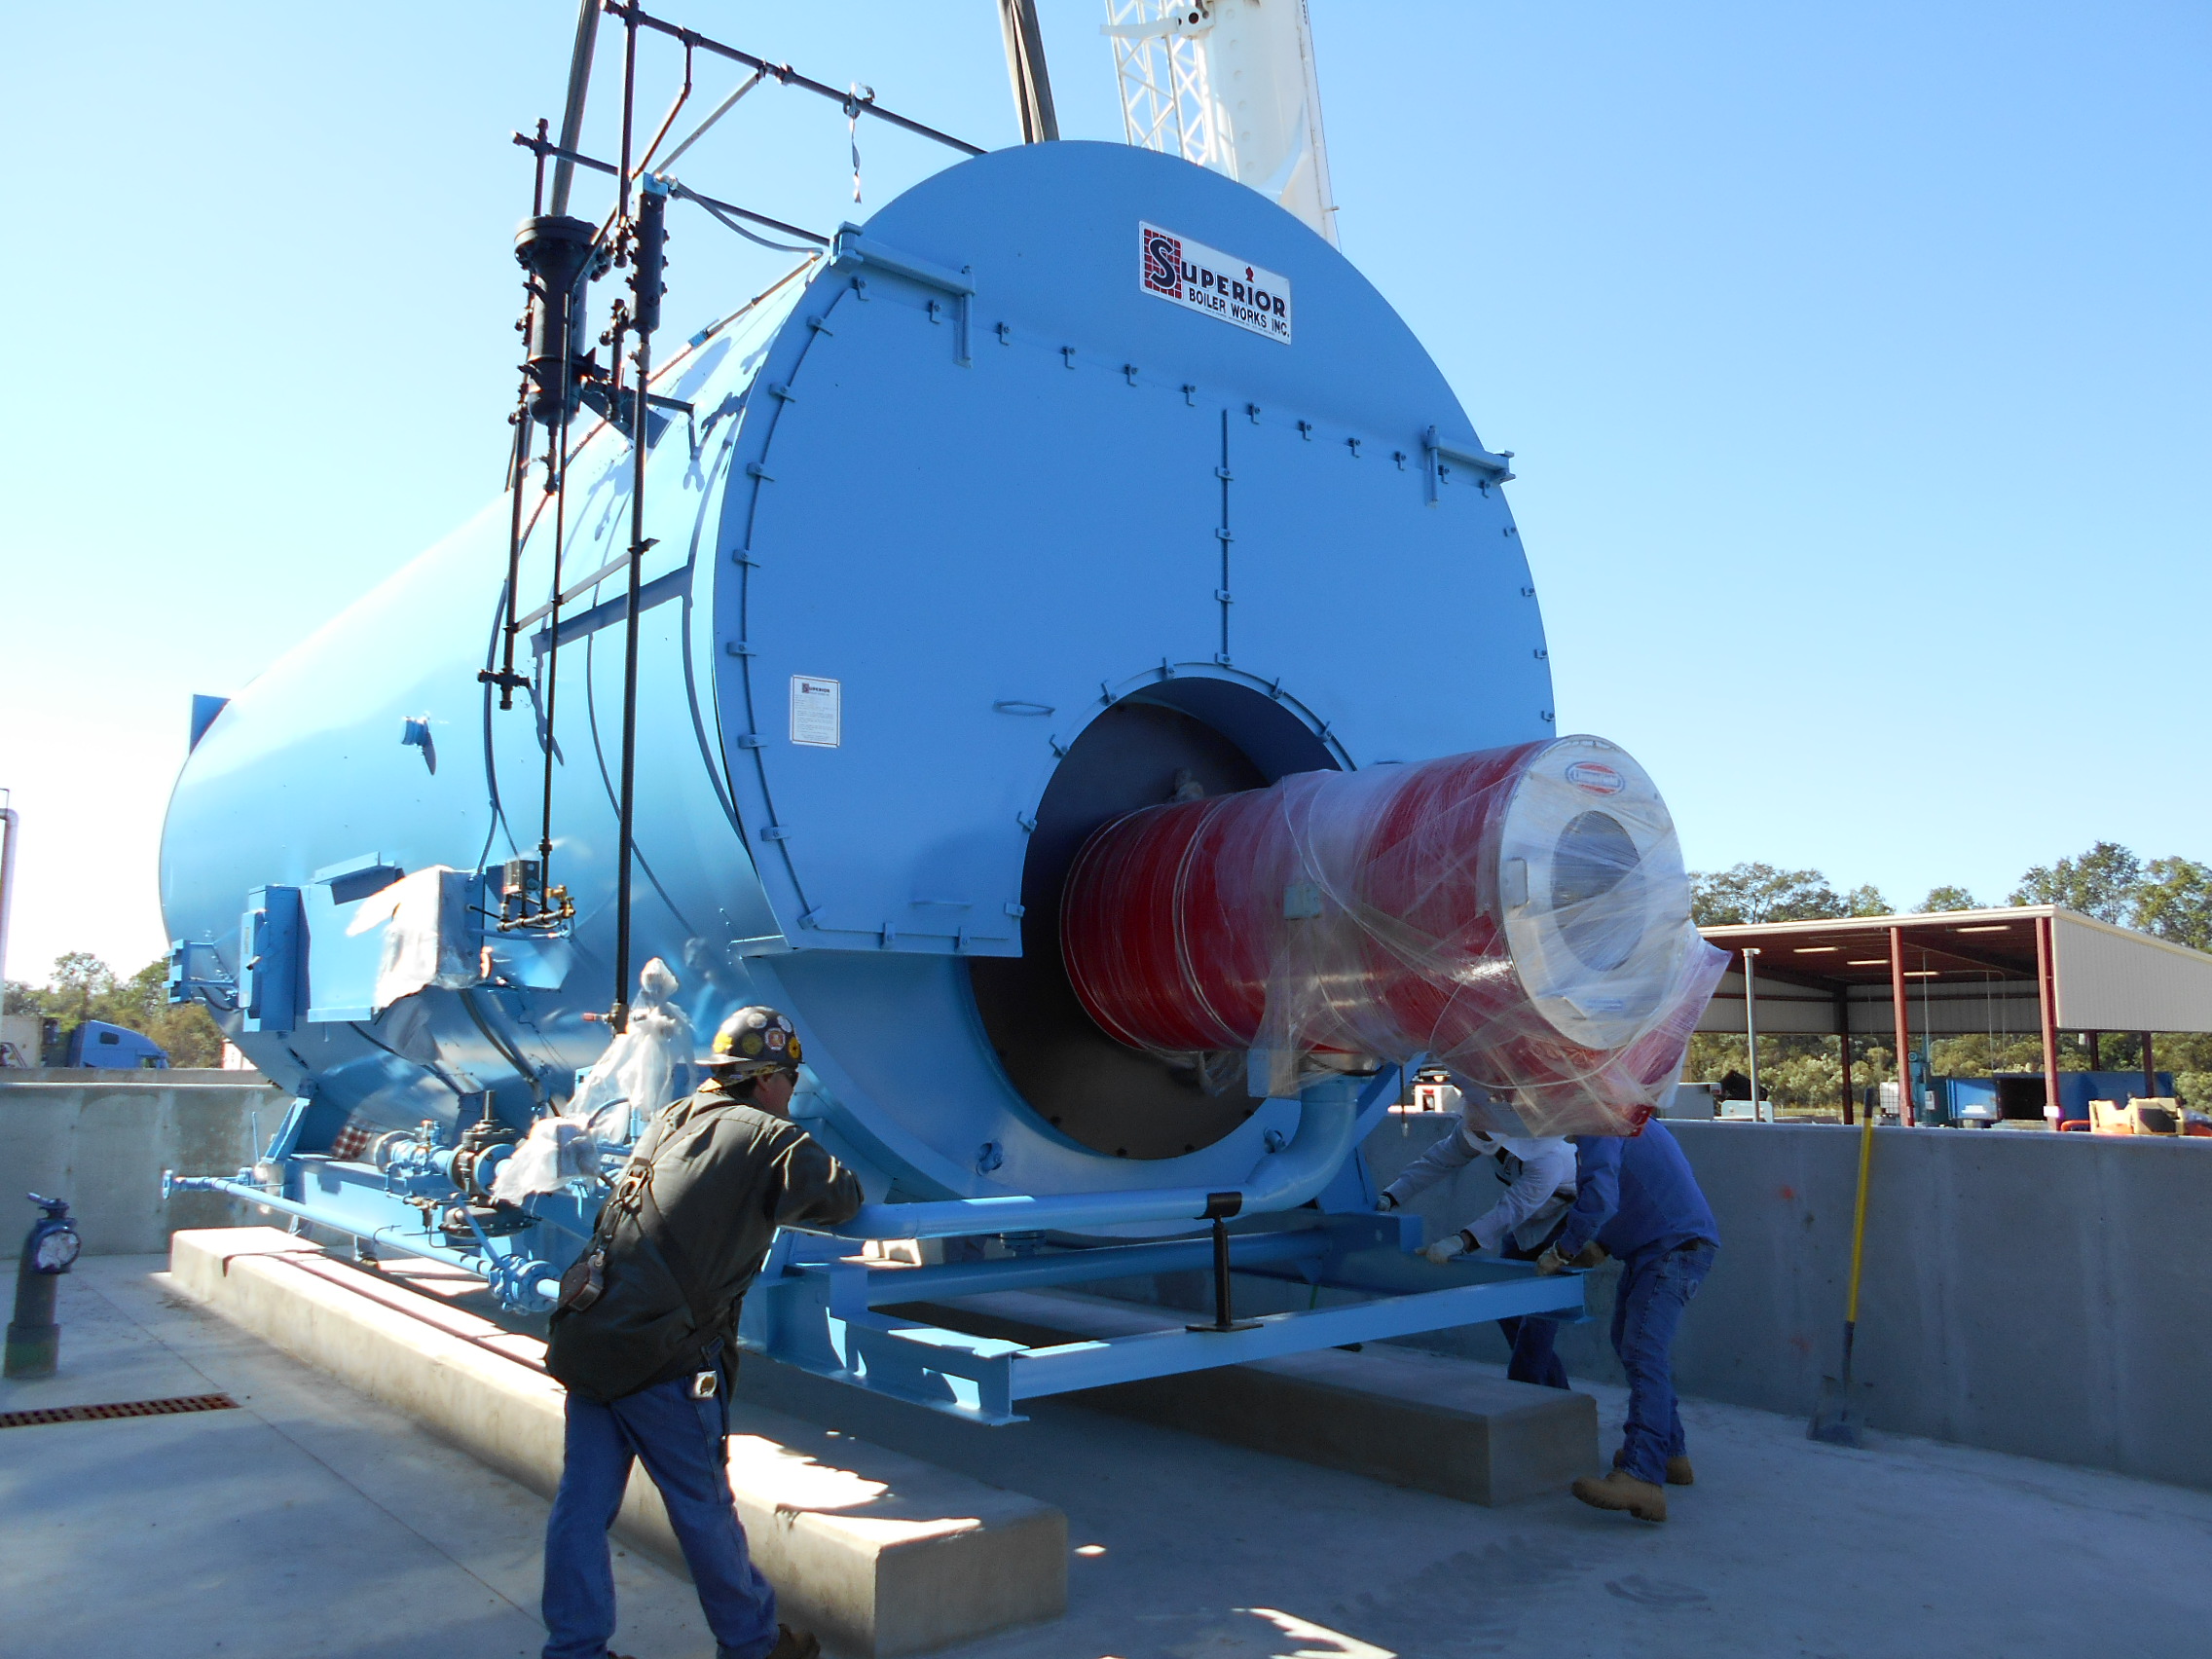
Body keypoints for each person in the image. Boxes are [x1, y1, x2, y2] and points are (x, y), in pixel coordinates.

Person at [541, 1006, 862, 1659]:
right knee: (702, 1509)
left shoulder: (671, 1116)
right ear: (768, 1078)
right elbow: (843, 1197)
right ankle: (752, 1645)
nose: (792, 1092)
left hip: (593, 1337)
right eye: (791, 1079)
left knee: (582, 1506)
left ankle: (574, 1649)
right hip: (663, 1357)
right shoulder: (771, 1136)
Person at [1538, 1117, 1719, 1524]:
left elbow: (1600, 1196)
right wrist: (1602, 1245)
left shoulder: (1600, 1121)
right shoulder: (1622, 1117)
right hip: (1666, 1246)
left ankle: (1642, 1475)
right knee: (1632, 1345)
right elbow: (1640, 1189)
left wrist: (1565, 1248)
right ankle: (1670, 1453)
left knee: (1642, 1352)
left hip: (1671, 1250)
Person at [1378, 1088, 1578, 1387]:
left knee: (1538, 1316)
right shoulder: (1478, 1127)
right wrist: (1392, 1195)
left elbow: (1511, 1209)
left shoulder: (1547, 1157)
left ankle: (1528, 1395)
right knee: (1506, 1307)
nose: (1477, 1132)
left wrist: (1460, 1241)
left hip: (1564, 1224)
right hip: (1527, 1223)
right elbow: (1438, 1161)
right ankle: (1555, 1392)